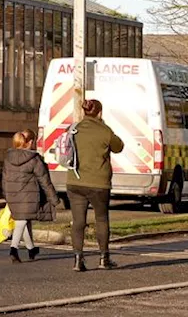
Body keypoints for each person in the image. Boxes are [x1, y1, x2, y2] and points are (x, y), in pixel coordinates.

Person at [68, 98, 125, 271]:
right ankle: (103, 258)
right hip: (99, 183)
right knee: (101, 219)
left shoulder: (74, 129)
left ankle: (78, 260)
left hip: (74, 181)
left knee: (78, 222)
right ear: (99, 112)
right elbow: (119, 147)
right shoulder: (104, 131)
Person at [2, 129, 61, 263]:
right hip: (28, 196)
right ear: (29, 143)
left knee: (24, 220)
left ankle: (31, 248)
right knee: (21, 221)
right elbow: (44, 181)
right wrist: (54, 199)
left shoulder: (8, 158)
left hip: (12, 194)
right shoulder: (34, 159)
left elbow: (4, 179)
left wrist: (6, 195)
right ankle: (13, 249)